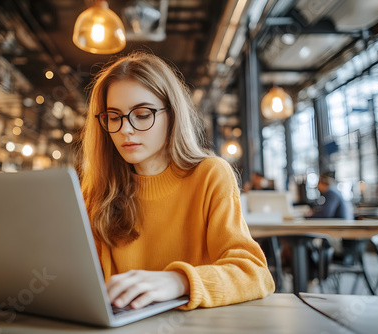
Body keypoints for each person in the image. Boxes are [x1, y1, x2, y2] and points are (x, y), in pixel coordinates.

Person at [79, 52, 275, 311]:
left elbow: (255, 274)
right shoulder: (98, 190)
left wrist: (180, 281)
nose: (126, 129)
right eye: (114, 117)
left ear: (172, 114)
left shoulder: (209, 175)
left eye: (142, 114)